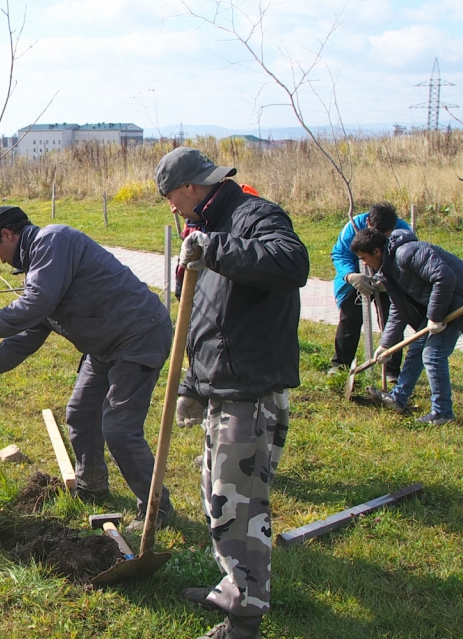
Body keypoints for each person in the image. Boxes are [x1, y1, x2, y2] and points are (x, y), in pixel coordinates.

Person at [156, 147, 309, 639]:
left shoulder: (252, 214)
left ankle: (244, 621)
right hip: (221, 389)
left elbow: (291, 263)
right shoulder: (206, 230)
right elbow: (202, 321)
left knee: (238, 508)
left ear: (191, 188)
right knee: (217, 498)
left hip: (250, 391)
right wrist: (191, 386)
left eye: (171, 198)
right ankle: (232, 586)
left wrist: (213, 247)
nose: (173, 208)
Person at [0, 206, 175, 532]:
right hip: (104, 345)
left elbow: (36, 304)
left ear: (8, 235)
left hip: (138, 335)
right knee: (81, 413)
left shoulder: (53, 241)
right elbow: (30, 330)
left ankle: (157, 511)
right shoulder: (41, 269)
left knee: (120, 428)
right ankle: (92, 485)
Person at [353, 227, 463, 425]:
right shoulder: (389, 269)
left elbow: (445, 277)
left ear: (377, 251)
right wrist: (386, 345)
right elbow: (398, 306)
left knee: (433, 355)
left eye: (364, 257)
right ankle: (398, 398)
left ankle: (442, 413)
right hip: (442, 305)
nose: (364, 262)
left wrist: (435, 317)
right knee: (417, 348)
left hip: (457, 303)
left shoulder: (408, 253)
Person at [329, 203, 411, 381]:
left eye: (386, 235)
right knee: (350, 319)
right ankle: (340, 364)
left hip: (387, 280)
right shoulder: (352, 228)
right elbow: (340, 254)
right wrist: (351, 276)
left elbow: (407, 259)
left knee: (392, 321)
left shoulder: (403, 230)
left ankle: (391, 371)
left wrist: (388, 279)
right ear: (368, 222)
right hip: (358, 277)